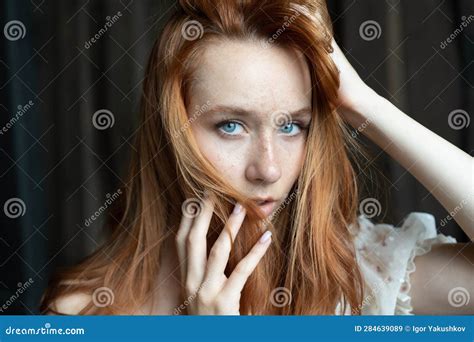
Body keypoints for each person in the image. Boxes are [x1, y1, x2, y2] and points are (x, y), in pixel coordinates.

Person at [40, 0, 473, 315]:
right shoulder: (81, 313)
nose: (267, 169)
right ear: (170, 132)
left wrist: (364, 104)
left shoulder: (365, 275)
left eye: (291, 126)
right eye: (231, 125)